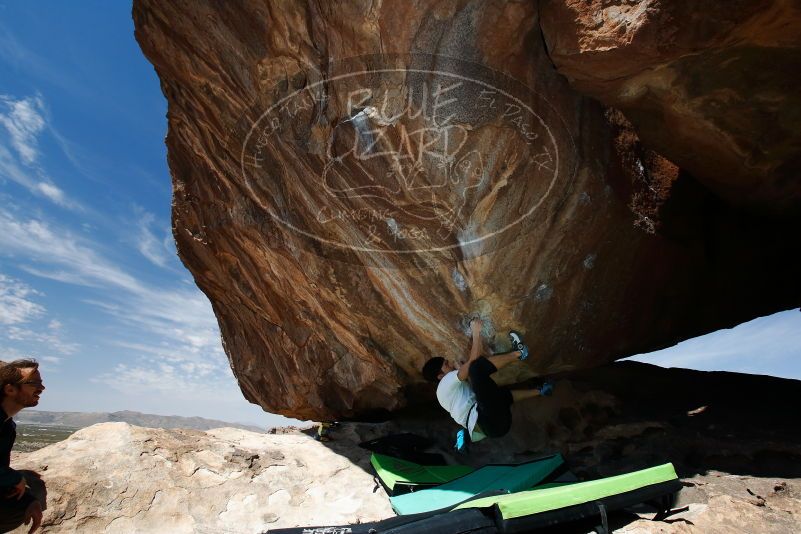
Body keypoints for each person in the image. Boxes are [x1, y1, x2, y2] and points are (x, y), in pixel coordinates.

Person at [421, 319, 552, 448]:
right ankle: (520, 352)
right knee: (476, 368)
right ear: (440, 376)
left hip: (496, 428)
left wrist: (463, 370)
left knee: (501, 395)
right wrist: (476, 331)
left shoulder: (446, 393)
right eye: (446, 364)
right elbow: (474, 362)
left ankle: (542, 391)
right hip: (487, 419)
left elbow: (479, 388)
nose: (449, 364)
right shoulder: (445, 382)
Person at [1, 359, 46, 533]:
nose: (42, 389)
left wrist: (27, 500)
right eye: (34, 383)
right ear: (10, 389)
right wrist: (14, 479)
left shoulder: (7, 426)